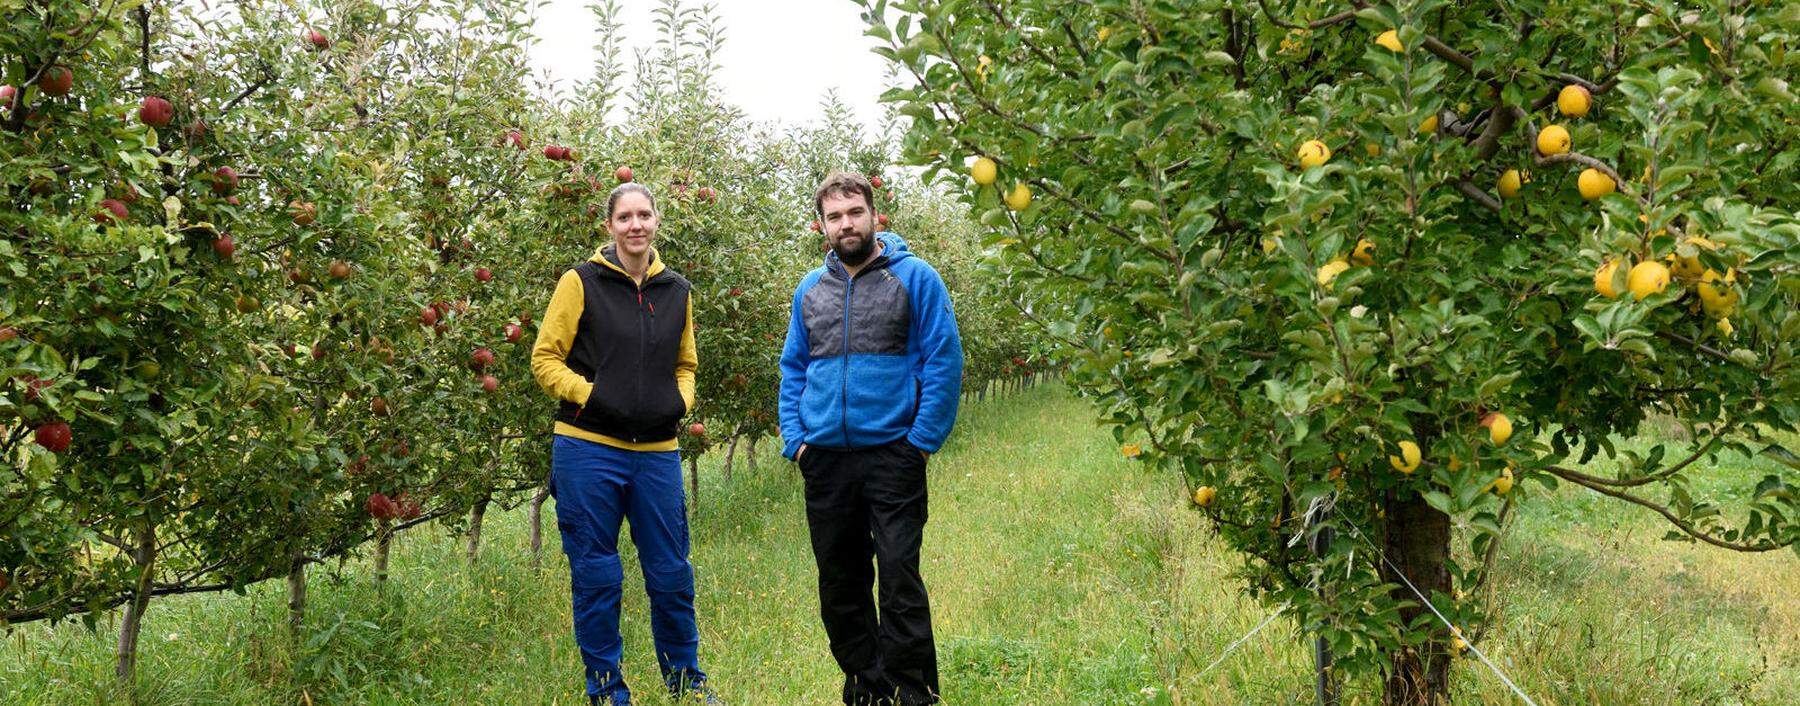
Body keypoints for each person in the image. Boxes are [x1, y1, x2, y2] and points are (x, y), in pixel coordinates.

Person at [530, 183, 721, 706]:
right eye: (624, 217)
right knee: (597, 574)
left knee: (672, 573)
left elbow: (687, 364)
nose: (635, 225)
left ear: (657, 221)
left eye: (644, 215)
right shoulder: (581, 282)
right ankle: (607, 690)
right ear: (609, 226)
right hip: (588, 447)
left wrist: (680, 403)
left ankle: (685, 683)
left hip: (656, 453)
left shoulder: (677, 290)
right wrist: (594, 396)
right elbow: (546, 358)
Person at [779, 172, 965, 705]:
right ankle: (865, 685)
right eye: (834, 216)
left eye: (854, 212)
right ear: (822, 226)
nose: (846, 224)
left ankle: (913, 690)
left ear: (874, 215)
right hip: (827, 459)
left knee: (900, 578)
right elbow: (793, 368)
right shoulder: (810, 290)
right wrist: (798, 441)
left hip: (892, 454)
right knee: (840, 582)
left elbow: (943, 361)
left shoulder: (916, 278)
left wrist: (919, 442)